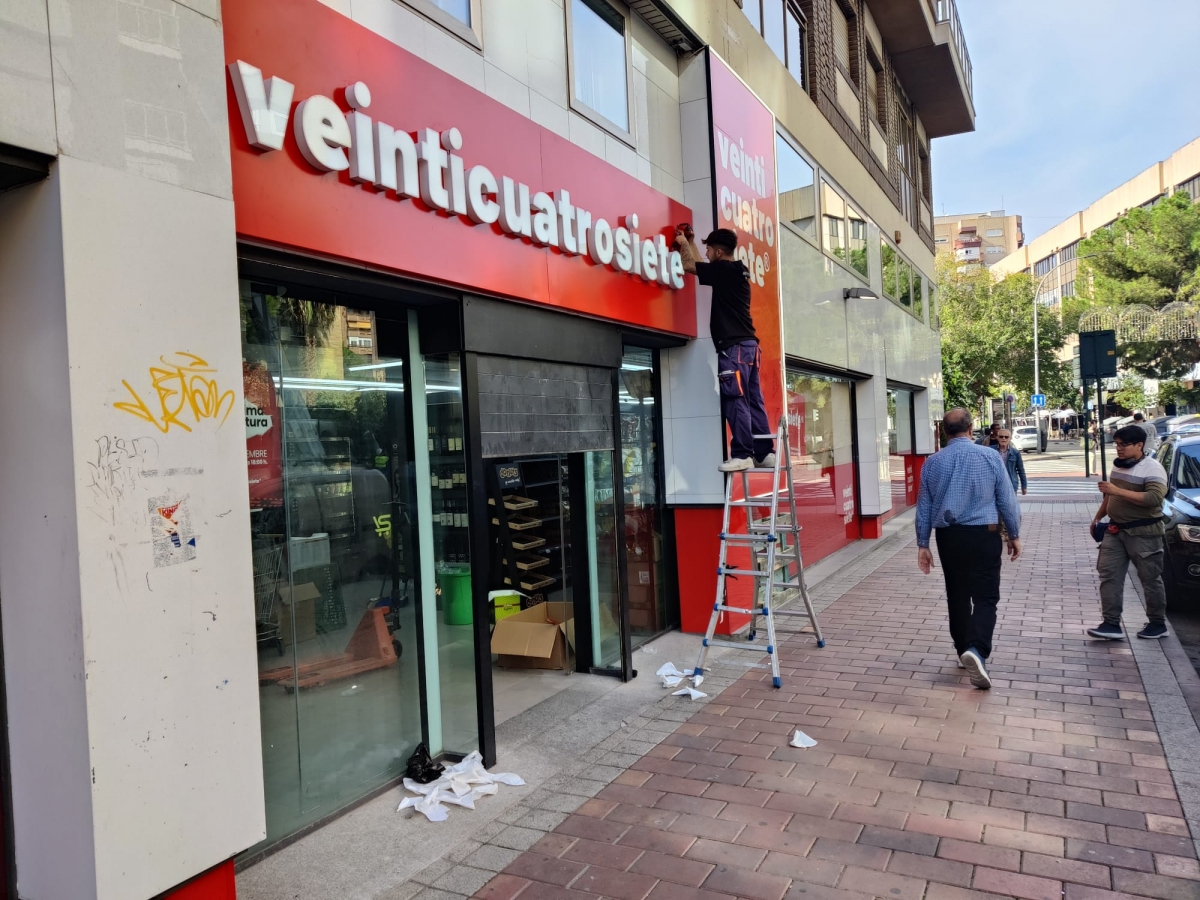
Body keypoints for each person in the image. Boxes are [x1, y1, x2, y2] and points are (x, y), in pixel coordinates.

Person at [916, 408, 1022, 690]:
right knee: (986, 597)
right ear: (971, 427)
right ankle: (976, 649)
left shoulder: (932, 462)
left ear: (944, 431)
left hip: (948, 536)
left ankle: (963, 649)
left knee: (957, 594)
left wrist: (922, 543)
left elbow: (924, 506)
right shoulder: (990, 456)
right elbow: (1006, 499)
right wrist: (1013, 533)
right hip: (983, 534)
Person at [675, 225, 775, 473]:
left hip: (734, 348)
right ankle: (764, 453)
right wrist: (692, 242)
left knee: (735, 399)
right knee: (753, 401)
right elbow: (702, 267)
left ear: (719, 252)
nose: (706, 252)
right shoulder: (735, 270)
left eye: (708, 248)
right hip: (749, 346)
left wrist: (681, 243)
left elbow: (689, 266)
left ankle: (742, 454)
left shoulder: (723, 270)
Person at [1087, 424, 1169, 641]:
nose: (1119, 449)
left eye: (1124, 445)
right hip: (1115, 530)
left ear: (1139, 445)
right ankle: (1111, 623)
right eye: (1117, 444)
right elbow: (1110, 497)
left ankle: (1157, 623)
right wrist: (1098, 517)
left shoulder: (1152, 468)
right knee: (1109, 575)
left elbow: (1154, 499)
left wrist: (1116, 490)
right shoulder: (1119, 467)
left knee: (1150, 578)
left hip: (1144, 532)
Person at [995, 429, 1028, 496]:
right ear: (997, 438)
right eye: (1001, 436)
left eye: (1006, 437)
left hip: (1011, 484)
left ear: (1010, 438)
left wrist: (1024, 486)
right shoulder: (991, 451)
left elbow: (1021, 470)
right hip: (995, 484)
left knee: (1011, 506)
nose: (1003, 438)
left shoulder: (1015, 453)